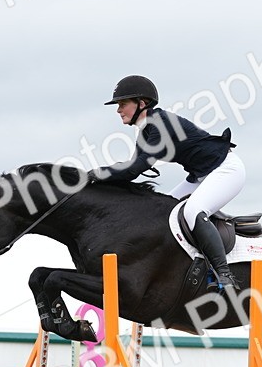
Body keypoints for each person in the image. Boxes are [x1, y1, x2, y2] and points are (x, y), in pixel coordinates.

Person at [91, 75, 245, 292]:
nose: (118, 110)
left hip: (226, 170)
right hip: (201, 176)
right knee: (164, 211)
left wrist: (96, 174)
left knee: (193, 212)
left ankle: (225, 275)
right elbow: (131, 167)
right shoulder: (146, 128)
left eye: (123, 104)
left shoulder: (160, 124)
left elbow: (134, 170)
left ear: (142, 104)